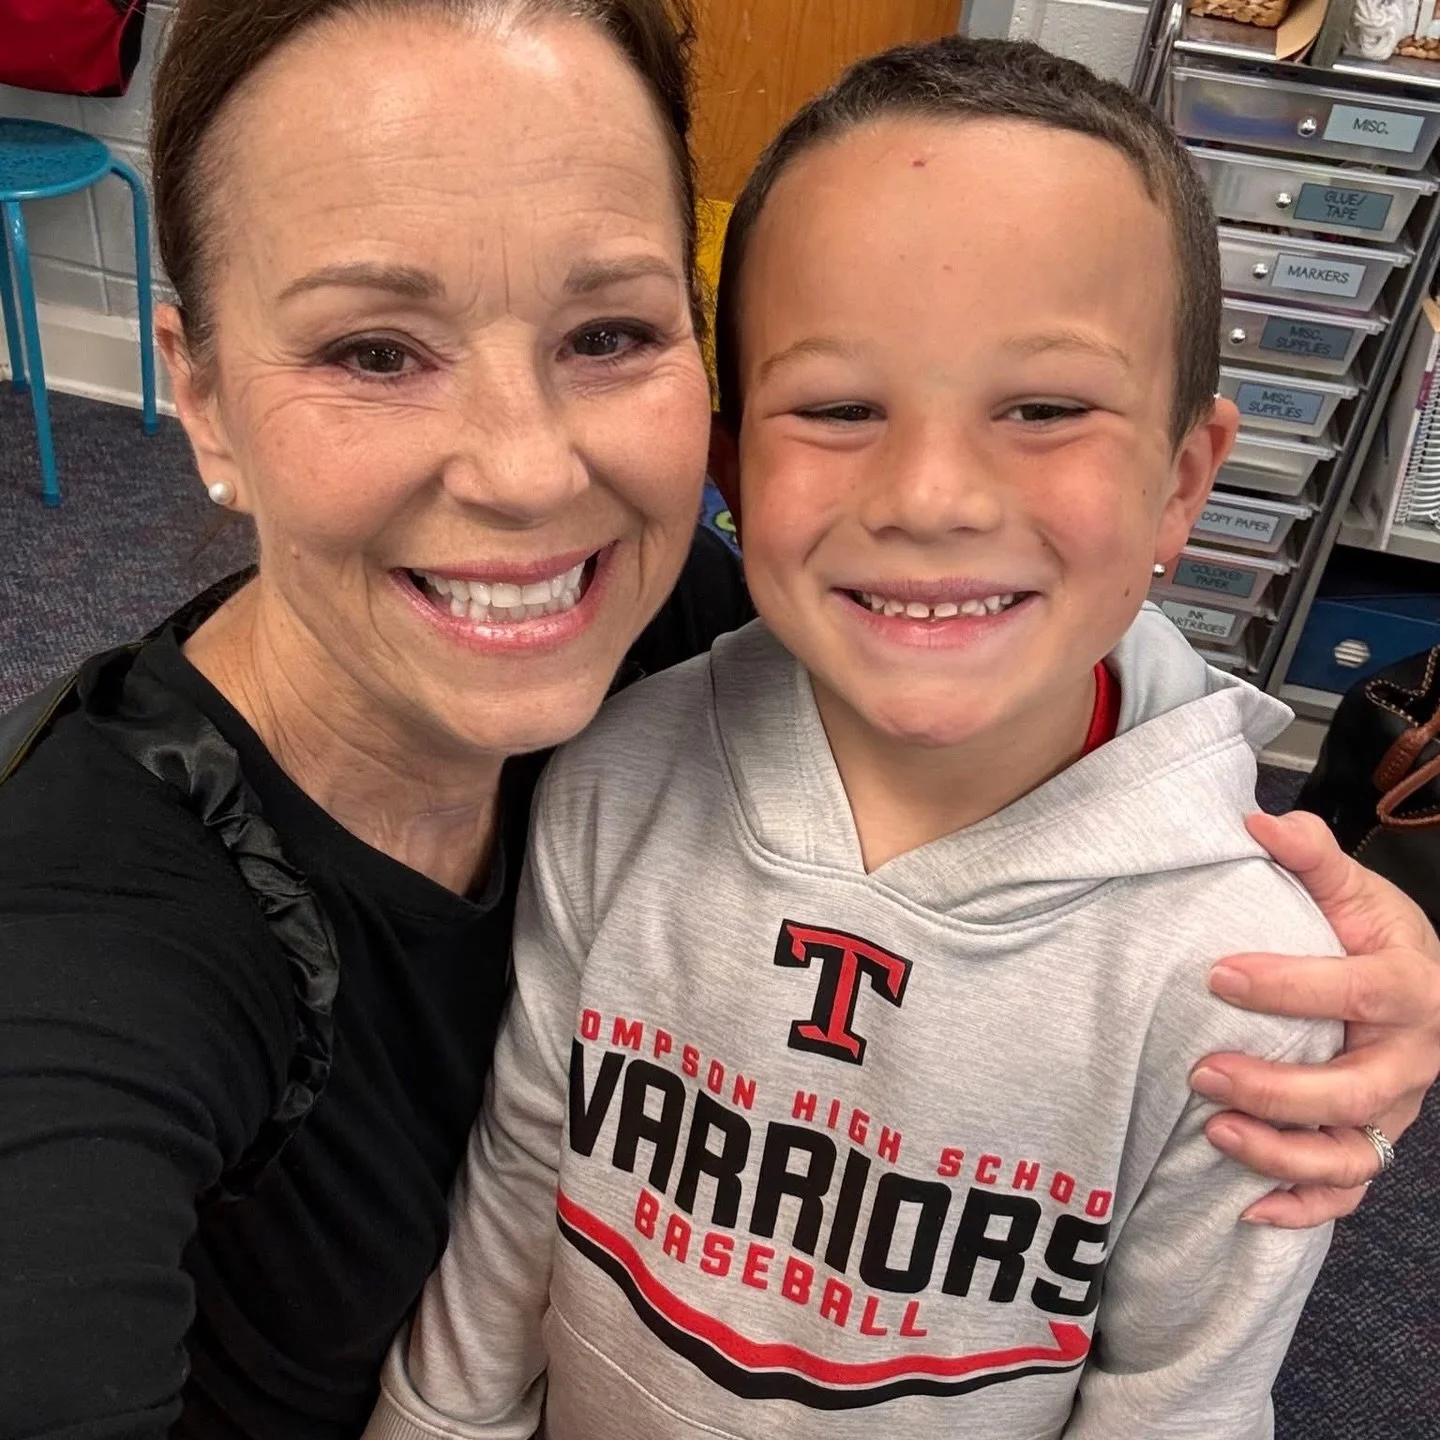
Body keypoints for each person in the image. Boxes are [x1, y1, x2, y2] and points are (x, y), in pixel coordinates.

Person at [0, 4, 1435, 1438]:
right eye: (375, 351)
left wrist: (1303, 921)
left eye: (608, 332)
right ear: (202, 394)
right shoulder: (80, 972)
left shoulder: (679, 611)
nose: (527, 474)